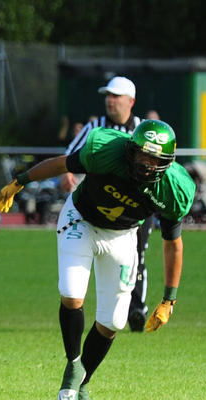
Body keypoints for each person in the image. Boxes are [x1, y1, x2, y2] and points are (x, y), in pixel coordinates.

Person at [0, 119, 195, 400]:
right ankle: (73, 365)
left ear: (167, 162)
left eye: (154, 159)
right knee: (71, 292)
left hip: (122, 235)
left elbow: (172, 244)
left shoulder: (173, 189)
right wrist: (21, 180)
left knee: (113, 321)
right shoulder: (106, 151)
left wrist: (169, 299)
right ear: (131, 149)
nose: (146, 163)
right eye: (142, 154)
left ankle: (82, 384)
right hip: (82, 219)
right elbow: (63, 164)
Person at [60, 76, 152, 332]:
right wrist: (67, 174)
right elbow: (70, 155)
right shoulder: (95, 127)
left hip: (138, 206)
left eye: (116, 96)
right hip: (100, 203)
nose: (110, 101)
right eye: (108, 96)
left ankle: (136, 308)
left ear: (131, 101)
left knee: (138, 254)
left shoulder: (143, 129)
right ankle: (100, 307)